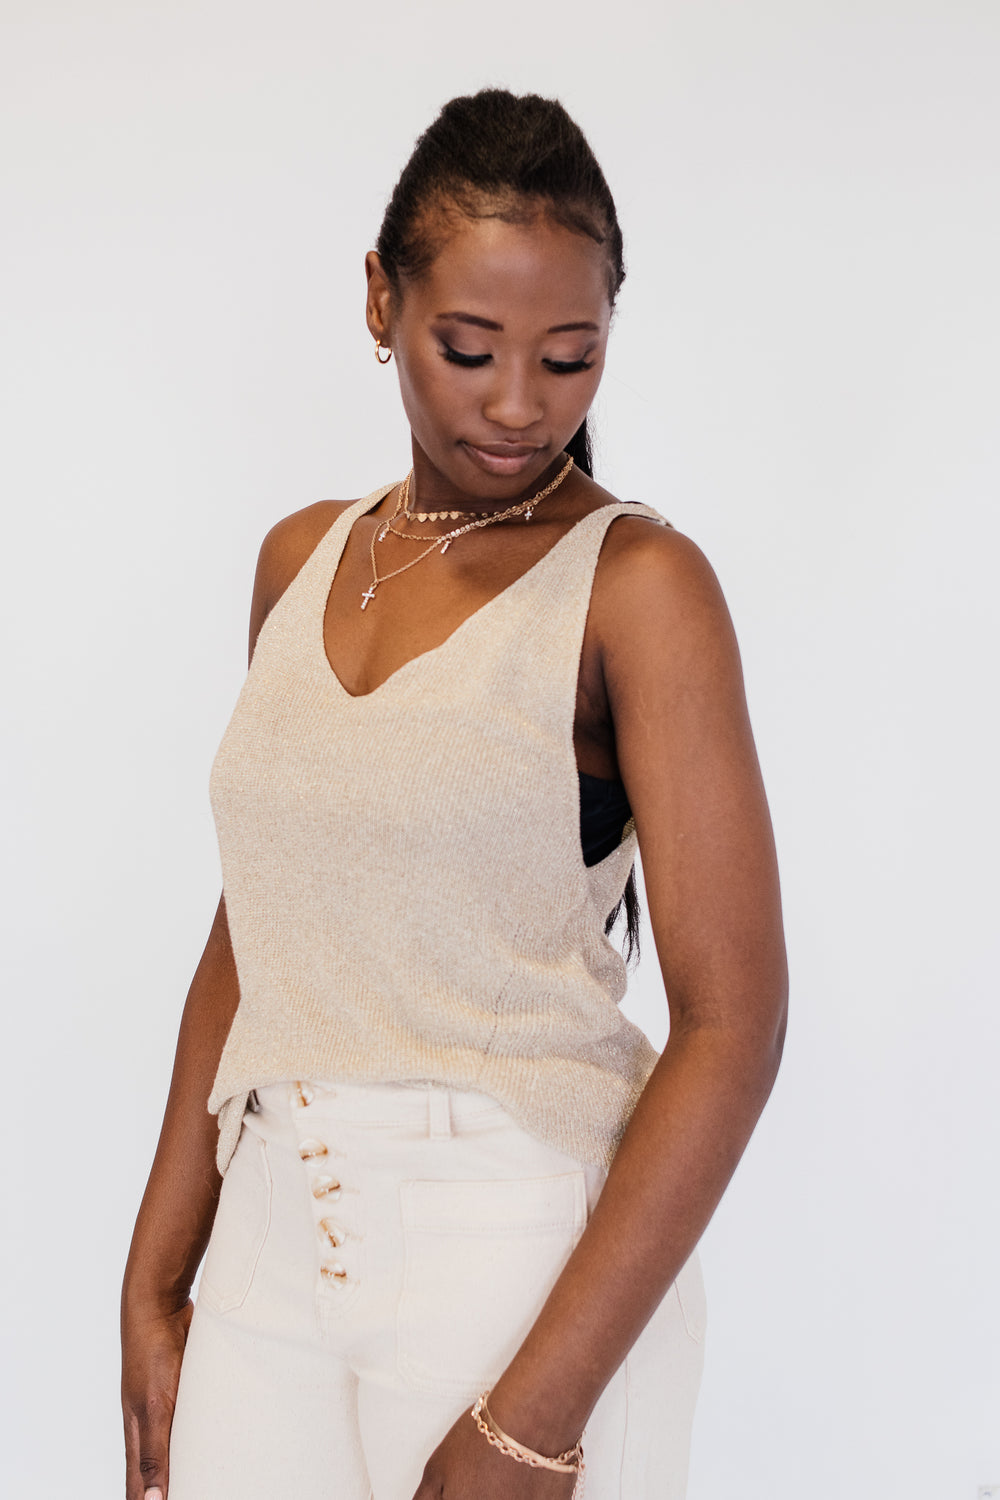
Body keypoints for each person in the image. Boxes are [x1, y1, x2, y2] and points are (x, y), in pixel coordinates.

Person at [121, 88, 787, 1500]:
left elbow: (733, 1025)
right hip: (270, 1246)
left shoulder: (639, 589)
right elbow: (260, 933)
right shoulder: (300, 560)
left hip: (520, 1259)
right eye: (469, 349)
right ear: (382, 299)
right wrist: (155, 1276)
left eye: (569, 357)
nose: (518, 404)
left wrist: (536, 1416)